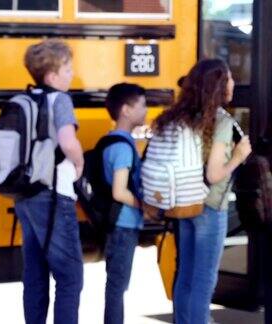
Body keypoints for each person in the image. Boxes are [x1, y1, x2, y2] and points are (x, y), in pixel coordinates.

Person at [153, 59, 252, 324]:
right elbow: (214, 174)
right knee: (204, 278)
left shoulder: (182, 116)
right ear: (219, 85)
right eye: (229, 78)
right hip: (209, 205)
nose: (233, 83)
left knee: (186, 272)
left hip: (185, 201)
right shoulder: (220, 121)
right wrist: (239, 156)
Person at [13, 39, 84, 324]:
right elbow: (67, 142)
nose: (71, 75)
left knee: (36, 274)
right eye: (67, 70)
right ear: (52, 75)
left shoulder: (25, 100)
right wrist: (79, 161)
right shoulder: (60, 100)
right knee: (70, 277)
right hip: (54, 195)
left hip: (25, 194)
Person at [101, 83, 147, 324]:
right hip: (123, 223)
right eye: (142, 105)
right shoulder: (122, 146)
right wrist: (144, 206)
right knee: (117, 286)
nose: (146, 111)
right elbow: (120, 191)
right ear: (126, 110)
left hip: (117, 223)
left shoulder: (112, 141)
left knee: (115, 284)